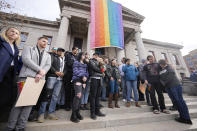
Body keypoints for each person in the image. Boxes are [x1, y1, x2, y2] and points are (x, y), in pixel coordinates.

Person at [6, 36, 51, 131]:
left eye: (47, 42)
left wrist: (41, 73)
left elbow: (48, 65)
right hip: (26, 78)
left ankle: (21, 127)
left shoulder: (48, 55)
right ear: (38, 40)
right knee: (19, 103)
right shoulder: (29, 48)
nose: (45, 43)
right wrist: (40, 70)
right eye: (43, 41)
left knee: (29, 104)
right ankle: (10, 127)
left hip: (39, 80)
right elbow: (26, 60)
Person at [158, 59, 192, 125]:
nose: (160, 65)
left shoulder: (169, 67)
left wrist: (163, 83)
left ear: (162, 64)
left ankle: (186, 118)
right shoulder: (161, 70)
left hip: (175, 86)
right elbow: (160, 78)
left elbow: (170, 76)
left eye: (160, 64)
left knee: (179, 101)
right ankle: (182, 117)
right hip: (168, 87)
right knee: (175, 102)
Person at [37, 48, 66, 123]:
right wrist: (56, 72)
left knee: (55, 96)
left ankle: (51, 113)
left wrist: (64, 73)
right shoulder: (52, 56)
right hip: (52, 77)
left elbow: (65, 69)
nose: (61, 52)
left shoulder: (64, 59)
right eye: (59, 51)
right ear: (57, 51)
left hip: (60, 79)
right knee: (47, 95)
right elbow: (49, 65)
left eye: (62, 51)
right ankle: (41, 114)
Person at [0, 27, 20, 118]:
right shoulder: (1, 42)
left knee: (6, 97)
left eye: (16, 33)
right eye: (12, 31)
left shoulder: (16, 48)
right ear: (6, 32)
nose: (14, 33)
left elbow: (16, 62)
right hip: (2, 70)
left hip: (10, 73)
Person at [70, 52, 89, 123]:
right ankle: (73, 115)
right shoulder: (76, 62)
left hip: (83, 81)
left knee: (80, 97)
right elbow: (75, 71)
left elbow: (87, 72)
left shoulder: (85, 64)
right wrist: (83, 76)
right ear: (80, 55)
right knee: (78, 96)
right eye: (83, 55)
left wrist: (86, 77)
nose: (85, 56)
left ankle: (77, 113)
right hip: (77, 79)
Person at [88, 53, 106, 120]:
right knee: (93, 96)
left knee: (98, 96)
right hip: (94, 78)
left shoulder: (100, 62)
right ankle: (92, 113)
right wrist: (101, 72)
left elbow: (104, 69)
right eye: (95, 55)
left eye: (98, 56)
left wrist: (102, 65)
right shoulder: (91, 61)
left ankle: (97, 111)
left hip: (100, 79)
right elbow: (95, 68)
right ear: (93, 56)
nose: (96, 56)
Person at [64, 47, 78, 111]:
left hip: (75, 75)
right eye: (75, 49)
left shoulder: (77, 57)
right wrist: (76, 63)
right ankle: (67, 105)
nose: (76, 51)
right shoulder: (68, 55)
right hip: (69, 75)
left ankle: (72, 104)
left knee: (74, 90)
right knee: (68, 90)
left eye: (77, 50)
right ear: (73, 50)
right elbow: (69, 63)